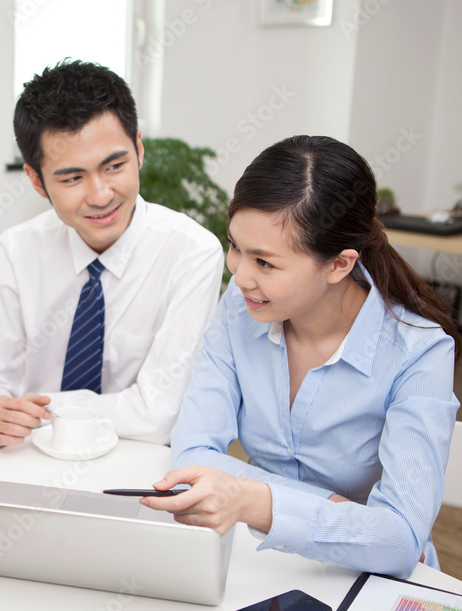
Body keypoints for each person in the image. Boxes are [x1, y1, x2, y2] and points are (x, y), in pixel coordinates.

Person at [144, 135, 460, 578]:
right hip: (259, 560)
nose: (240, 275)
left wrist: (253, 499)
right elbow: (193, 452)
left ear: (339, 264)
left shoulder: (419, 352)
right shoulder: (241, 306)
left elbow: (399, 541)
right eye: (236, 247)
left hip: (368, 582)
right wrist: (335, 510)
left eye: (265, 263)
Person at [0, 60, 224, 447]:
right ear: (37, 181)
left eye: (114, 165)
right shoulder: (14, 251)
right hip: (27, 462)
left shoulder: (192, 253)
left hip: (137, 468)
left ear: (138, 149)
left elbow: (159, 415)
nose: (101, 196)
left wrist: (35, 411)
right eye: (72, 178)